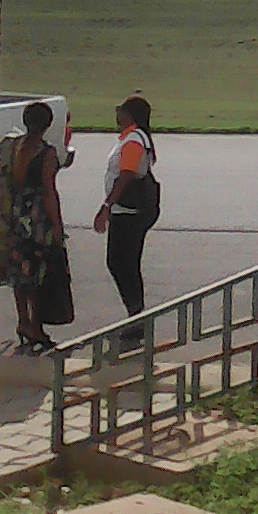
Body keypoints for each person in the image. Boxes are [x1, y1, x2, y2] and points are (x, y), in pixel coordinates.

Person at [0, 101, 66, 353]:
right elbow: (48, 191)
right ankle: (35, 325)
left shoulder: (10, 146)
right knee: (35, 273)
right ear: (47, 125)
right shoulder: (45, 153)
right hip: (35, 219)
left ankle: (23, 321)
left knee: (18, 272)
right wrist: (57, 225)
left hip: (12, 215)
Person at [94, 94, 161, 344]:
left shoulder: (133, 141)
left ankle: (136, 318)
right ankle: (136, 317)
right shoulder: (136, 137)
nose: (116, 113)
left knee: (121, 263)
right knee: (125, 264)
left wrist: (106, 206)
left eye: (119, 109)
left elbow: (126, 175)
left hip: (128, 213)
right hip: (132, 211)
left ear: (128, 114)